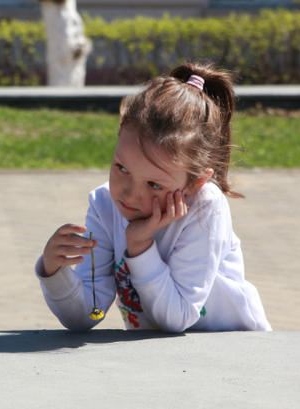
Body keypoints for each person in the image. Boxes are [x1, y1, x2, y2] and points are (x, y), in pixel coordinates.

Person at [35, 62, 271, 332]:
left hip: (238, 346)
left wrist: (139, 246)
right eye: (122, 168)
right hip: (162, 355)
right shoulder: (104, 205)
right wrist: (54, 272)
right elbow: (90, 313)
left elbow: (177, 318)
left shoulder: (204, 207)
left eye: (154, 184)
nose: (130, 194)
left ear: (196, 182)